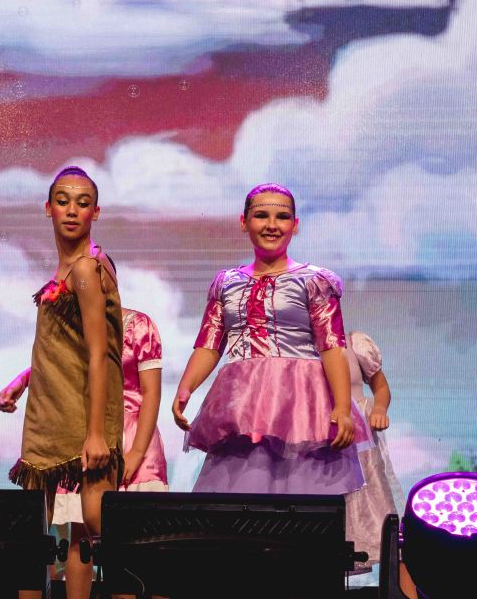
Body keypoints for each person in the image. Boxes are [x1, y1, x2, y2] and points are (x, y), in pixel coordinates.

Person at [172, 183, 368, 495]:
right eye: (261, 215)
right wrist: (186, 388)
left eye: (282, 217)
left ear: (295, 225)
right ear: (244, 222)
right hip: (241, 400)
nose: (272, 225)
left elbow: (331, 346)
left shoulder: (314, 281)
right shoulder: (226, 283)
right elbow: (209, 344)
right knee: (242, 488)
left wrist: (343, 406)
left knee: (300, 489)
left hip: (300, 400)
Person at [8, 166, 123, 599]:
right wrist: (24, 379)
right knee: (43, 529)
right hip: (51, 412)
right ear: (48, 208)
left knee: (97, 524)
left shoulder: (87, 269)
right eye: (63, 201)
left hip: (81, 415)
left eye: (82, 202)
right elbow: (64, 346)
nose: (72, 210)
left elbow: (99, 352)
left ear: (96, 212)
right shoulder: (67, 270)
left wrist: (95, 433)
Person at [1, 306, 165, 599]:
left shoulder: (139, 325)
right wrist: (22, 380)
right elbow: (58, 366)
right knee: (80, 534)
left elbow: (151, 392)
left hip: (130, 434)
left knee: (131, 535)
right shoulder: (73, 326)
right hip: (86, 433)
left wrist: (137, 451)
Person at [343, 331, 411, 591]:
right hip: (319, 441)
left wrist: (379, 409)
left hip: (359, 444)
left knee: (378, 521)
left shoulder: (354, 343)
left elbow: (380, 387)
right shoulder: (297, 343)